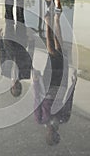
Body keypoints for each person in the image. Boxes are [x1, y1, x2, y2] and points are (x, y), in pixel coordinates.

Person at [32, 9, 77, 145]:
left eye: (50, 137)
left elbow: (36, 101)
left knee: (52, 55)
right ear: (58, 135)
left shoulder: (40, 119)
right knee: (61, 51)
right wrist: (73, 84)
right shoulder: (63, 119)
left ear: (46, 135)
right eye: (55, 137)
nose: (52, 134)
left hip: (48, 86)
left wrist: (35, 82)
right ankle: (56, 21)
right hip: (61, 86)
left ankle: (47, 24)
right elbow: (68, 102)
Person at [0, 0, 34, 97]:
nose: (16, 86)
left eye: (14, 88)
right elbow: (30, 56)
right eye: (18, 88)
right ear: (20, 86)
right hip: (21, 43)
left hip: (8, 42)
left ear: (11, 86)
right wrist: (32, 43)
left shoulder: (5, 72)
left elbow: (2, 55)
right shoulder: (26, 74)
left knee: (9, 19)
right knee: (20, 18)